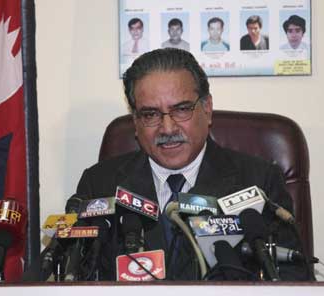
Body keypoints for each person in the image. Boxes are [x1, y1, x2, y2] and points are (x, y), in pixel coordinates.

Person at [71, 48, 311, 281]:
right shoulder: (100, 184)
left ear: (207, 110)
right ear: (135, 121)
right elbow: (74, 278)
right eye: (150, 114)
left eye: (181, 109)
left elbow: (293, 278)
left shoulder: (258, 181)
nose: (167, 128)